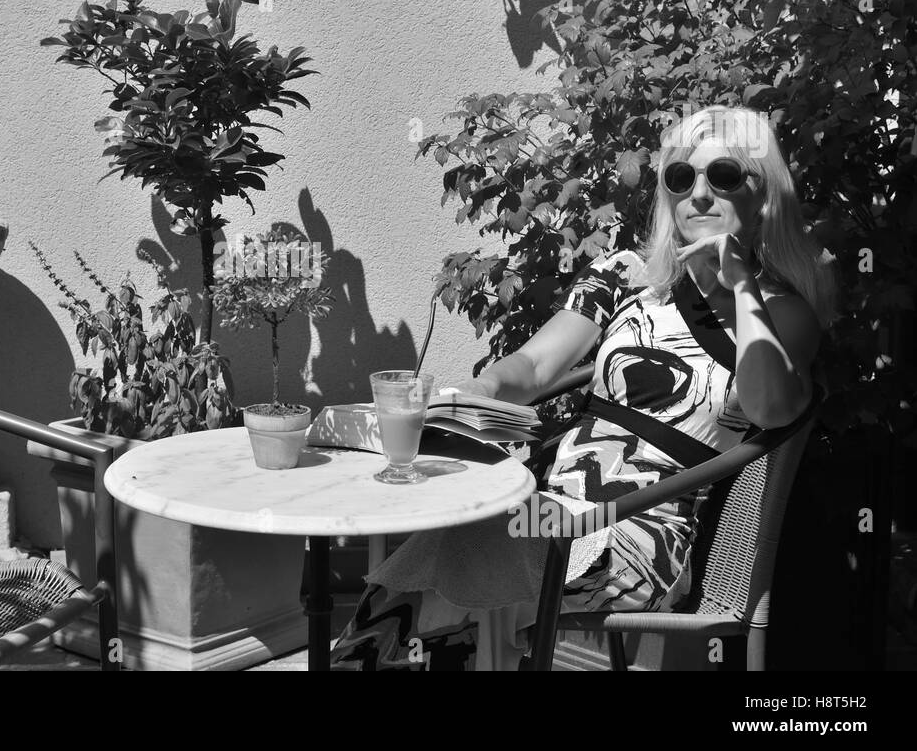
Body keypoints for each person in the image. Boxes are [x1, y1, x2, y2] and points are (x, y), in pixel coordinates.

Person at [330, 105, 837, 671]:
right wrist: (475, 393)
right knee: (448, 542)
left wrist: (739, 278)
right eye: (680, 177)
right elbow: (534, 367)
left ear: (763, 195)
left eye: (721, 177)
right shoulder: (626, 276)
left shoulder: (783, 312)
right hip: (554, 505)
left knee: (455, 558)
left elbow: (772, 407)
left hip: (643, 531)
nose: (698, 194)